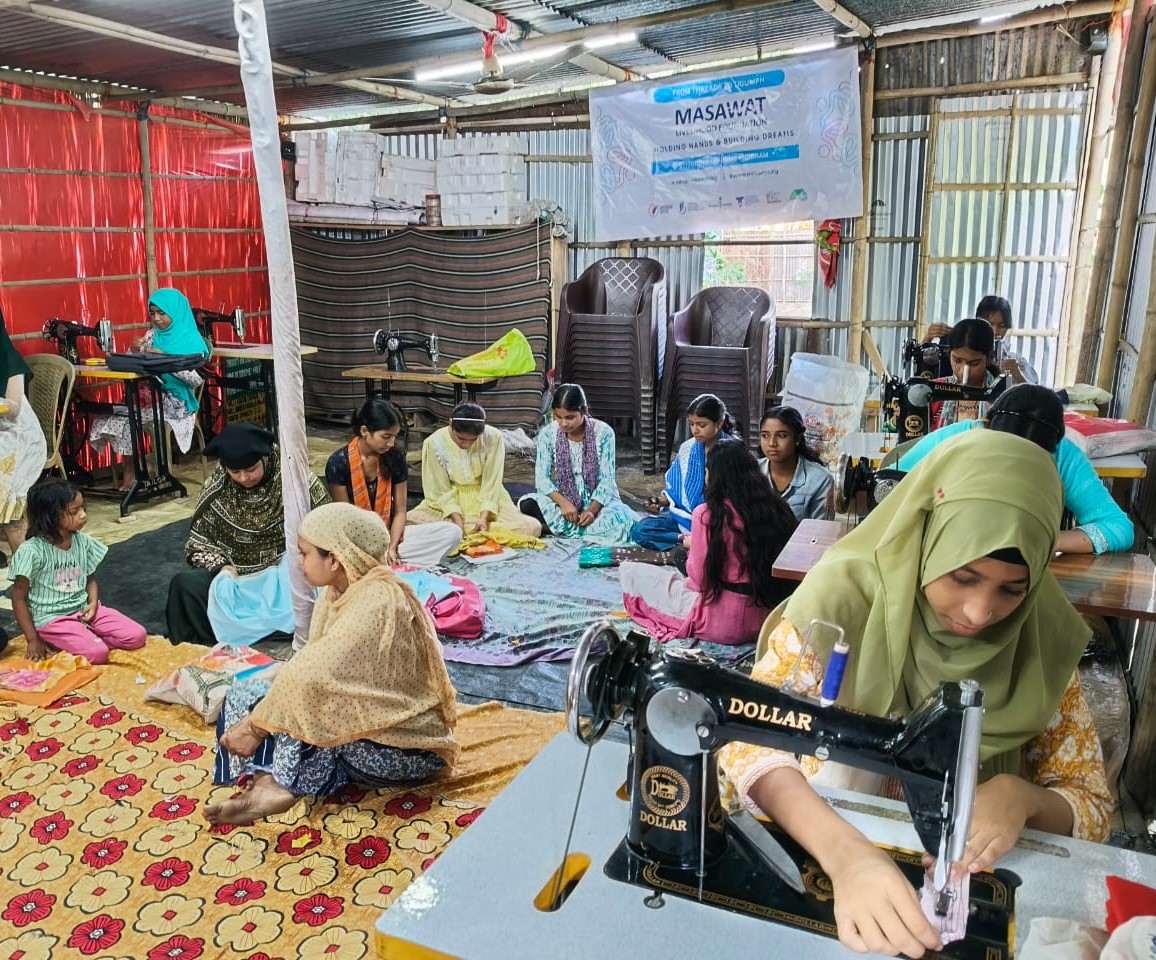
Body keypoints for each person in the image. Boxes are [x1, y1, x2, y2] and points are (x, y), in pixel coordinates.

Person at [719, 429, 1112, 957]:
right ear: (927, 535)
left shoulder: (1042, 639)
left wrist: (1026, 799)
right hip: (824, 841)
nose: (979, 612)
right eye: (962, 576)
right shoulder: (839, 603)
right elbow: (747, 739)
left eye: (1012, 589)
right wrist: (846, 855)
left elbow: (1091, 806)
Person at [204, 502, 458, 825]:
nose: (299, 562)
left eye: (304, 553)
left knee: (305, 708)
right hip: (372, 728)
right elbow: (311, 663)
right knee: (246, 694)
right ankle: (265, 777)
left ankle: (276, 786)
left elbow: (309, 678)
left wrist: (255, 728)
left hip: (404, 750)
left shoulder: (378, 602)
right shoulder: (337, 591)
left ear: (334, 559)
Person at [897, 384, 1133, 554]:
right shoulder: (955, 440)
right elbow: (890, 488)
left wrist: (1044, 540)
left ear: (1054, 448)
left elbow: (1119, 527)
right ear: (986, 426)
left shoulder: (1064, 457)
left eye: (1030, 464)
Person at [165, 421, 329, 647]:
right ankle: (218, 647)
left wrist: (298, 559)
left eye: (251, 469)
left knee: (324, 586)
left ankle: (264, 635)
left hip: (287, 578)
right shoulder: (218, 489)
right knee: (184, 586)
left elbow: (327, 528)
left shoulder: (296, 480)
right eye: (235, 472)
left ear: (264, 459)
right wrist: (222, 568)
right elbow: (198, 543)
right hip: (239, 584)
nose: (244, 478)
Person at [621, 440, 798, 645]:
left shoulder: (708, 515)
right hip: (767, 620)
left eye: (706, 471)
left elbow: (700, 581)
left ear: (714, 475)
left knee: (630, 570)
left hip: (722, 622)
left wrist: (693, 548)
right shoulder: (777, 509)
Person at [11, 478, 146, 664]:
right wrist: (32, 639)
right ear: (50, 516)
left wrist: (93, 603)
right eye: (74, 511)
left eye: (83, 508)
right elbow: (18, 598)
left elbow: (90, 578)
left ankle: (83, 638)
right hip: (53, 619)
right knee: (98, 653)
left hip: (83, 611)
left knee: (137, 636)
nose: (83, 515)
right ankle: (69, 639)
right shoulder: (31, 551)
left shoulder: (83, 541)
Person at [90, 288, 209, 491]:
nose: (156, 319)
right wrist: (134, 349)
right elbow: (137, 363)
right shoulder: (153, 335)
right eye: (152, 313)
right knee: (111, 418)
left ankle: (135, 473)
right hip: (149, 397)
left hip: (176, 403)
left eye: (162, 313)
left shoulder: (191, 339)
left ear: (176, 311)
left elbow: (196, 380)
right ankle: (137, 468)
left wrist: (166, 359)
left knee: (128, 421)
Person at [326, 398, 461, 567]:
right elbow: (345, 519)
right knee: (338, 558)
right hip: (355, 541)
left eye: (394, 436)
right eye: (386, 436)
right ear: (364, 431)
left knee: (452, 533)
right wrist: (368, 548)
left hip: (389, 533)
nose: (390, 443)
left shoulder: (394, 457)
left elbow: (400, 512)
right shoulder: (338, 463)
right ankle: (383, 562)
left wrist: (391, 547)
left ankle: (384, 561)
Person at [517, 383, 637, 543]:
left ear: (584, 411)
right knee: (527, 504)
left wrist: (592, 511)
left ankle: (555, 528)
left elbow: (607, 480)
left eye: (570, 417)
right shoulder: (547, 434)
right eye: (558, 417)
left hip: (599, 503)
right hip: (564, 499)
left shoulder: (604, 433)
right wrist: (565, 504)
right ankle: (585, 530)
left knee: (625, 520)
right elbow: (542, 479)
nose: (563, 423)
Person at [407, 402, 541, 538]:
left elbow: (491, 482)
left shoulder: (493, 437)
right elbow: (440, 490)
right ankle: (467, 529)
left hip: (487, 497)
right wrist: (457, 519)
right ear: (451, 424)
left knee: (531, 527)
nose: (466, 444)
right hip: (449, 500)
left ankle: (458, 530)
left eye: (473, 440)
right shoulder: (434, 443)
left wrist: (483, 518)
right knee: (410, 521)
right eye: (461, 438)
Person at [632, 393, 734, 550]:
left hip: (716, 521)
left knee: (726, 538)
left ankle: (697, 543)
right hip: (685, 519)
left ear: (719, 423)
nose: (695, 430)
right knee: (641, 530)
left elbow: (736, 500)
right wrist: (660, 502)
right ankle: (686, 541)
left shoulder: (733, 452)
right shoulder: (687, 448)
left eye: (701, 425)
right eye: (691, 424)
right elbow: (676, 491)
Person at [0, 309, 47, 559]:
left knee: (5, 485)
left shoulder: (9, 358)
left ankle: (24, 561)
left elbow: (14, 407)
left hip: (19, 433)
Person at [757, 405, 833, 520]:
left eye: (782, 435)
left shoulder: (820, 480)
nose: (772, 443)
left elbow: (820, 528)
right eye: (765, 435)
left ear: (797, 438)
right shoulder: (751, 473)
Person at [929, 317, 1002, 431]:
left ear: (989, 358)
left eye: (974, 363)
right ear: (949, 353)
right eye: (957, 360)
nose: (964, 371)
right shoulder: (932, 391)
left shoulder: (1001, 398)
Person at [976, 295, 1040, 385]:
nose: (995, 331)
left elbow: (1036, 392)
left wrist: (1019, 376)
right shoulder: (967, 355)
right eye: (990, 324)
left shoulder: (1017, 362)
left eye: (1001, 326)